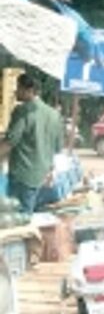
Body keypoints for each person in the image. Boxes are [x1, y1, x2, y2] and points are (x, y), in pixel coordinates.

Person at [0, 74, 63, 215]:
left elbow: (10, 142)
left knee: (17, 220)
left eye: (19, 88)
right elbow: (58, 147)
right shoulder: (54, 115)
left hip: (23, 177)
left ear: (29, 90)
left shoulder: (22, 111)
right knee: (29, 219)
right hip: (42, 178)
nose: (16, 92)